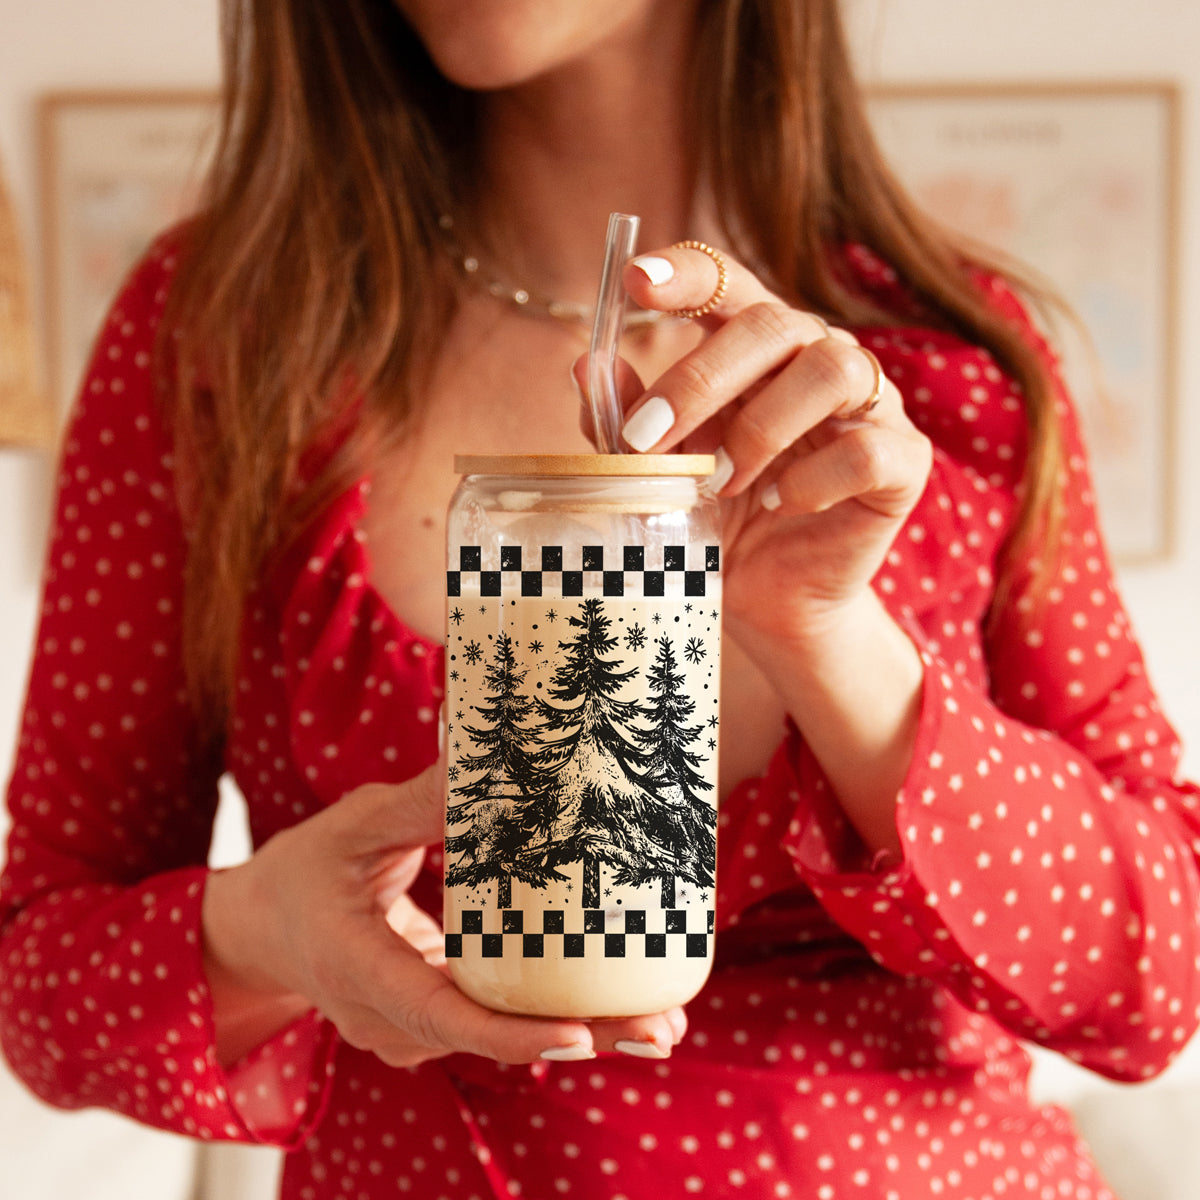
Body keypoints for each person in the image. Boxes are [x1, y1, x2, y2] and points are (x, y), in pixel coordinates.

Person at [2, 1, 1197, 1196]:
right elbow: (37, 983)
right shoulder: (223, 342)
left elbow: (1164, 980)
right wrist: (269, 930)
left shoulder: (952, 370)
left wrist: (830, 638)